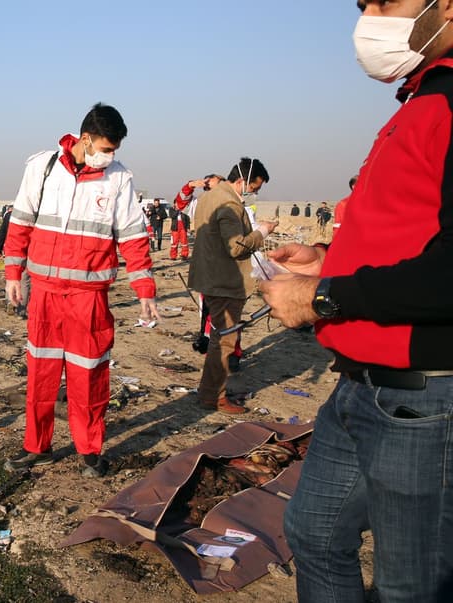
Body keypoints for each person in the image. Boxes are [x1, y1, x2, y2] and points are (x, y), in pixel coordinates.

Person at [259, 2, 453, 600]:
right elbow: (407, 235)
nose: (370, 20)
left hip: (421, 397)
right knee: (313, 533)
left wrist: (324, 297)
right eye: (363, 6)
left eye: (385, 1)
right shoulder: (421, 100)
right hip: (360, 387)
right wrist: (326, 260)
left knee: (410, 586)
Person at [2, 103, 159, 477]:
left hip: (89, 299)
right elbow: (21, 220)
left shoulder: (118, 179)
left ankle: (89, 450)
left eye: (114, 151)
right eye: (105, 149)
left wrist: (145, 289)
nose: (109, 157)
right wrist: (13, 273)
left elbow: (134, 236)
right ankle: (36, 447)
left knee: (89, 376)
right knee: (40, 375)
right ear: (84, 139)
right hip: (43, 295)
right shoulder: (42, 168)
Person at [188, 157, 278, 414]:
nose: (255, 194)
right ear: (244, 181)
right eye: (255, 188)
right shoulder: (228, 204)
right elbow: (236, 247)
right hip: (224, 281)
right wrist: (262, 232)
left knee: (219, 337)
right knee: (225, 341)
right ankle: (215, 397)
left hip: (211, 277)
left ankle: (209, 393)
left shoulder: (209, 197)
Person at [169, 175, 223, 260]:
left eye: (221, 183)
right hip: (208, 247)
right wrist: (190, 186)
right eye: (209, 183)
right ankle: (175, 255)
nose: (219, 186)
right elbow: (181, 201)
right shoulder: (199, 202)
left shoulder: (231, 200)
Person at [0, 205, 29, 318]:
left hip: (11, 250)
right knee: (24, 281)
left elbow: (2, 233)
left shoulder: (10, 217)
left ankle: (10, 302)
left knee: (12, 278)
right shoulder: (36, 216)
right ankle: (21, 310)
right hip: (28, 251)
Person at [331, 174, 357, 239]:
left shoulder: (373, 203)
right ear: (353, 186)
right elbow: (338, 228)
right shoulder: (343, 204)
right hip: (351, 240)